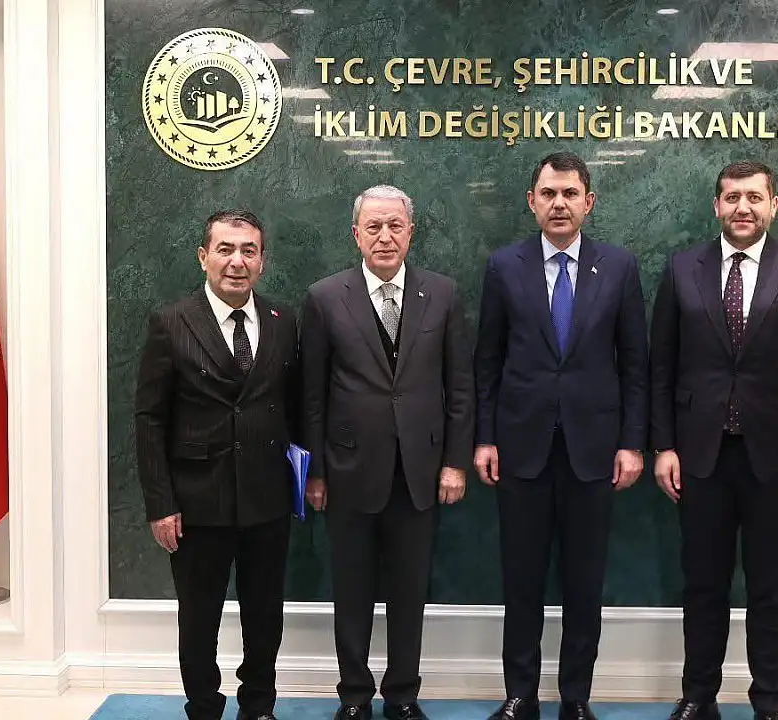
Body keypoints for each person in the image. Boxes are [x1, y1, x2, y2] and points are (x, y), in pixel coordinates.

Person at [649, 160, 778, 720]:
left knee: (770, 589)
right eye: (732, 197)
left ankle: (768, 702)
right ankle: (698, 696)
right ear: (717, 205)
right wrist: (664, 446)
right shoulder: (682, 269)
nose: (742, 207)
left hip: (777, 462)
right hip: (699, 458)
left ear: (773, 206)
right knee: (702, 585)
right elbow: (662, 367)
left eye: (754, 197)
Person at [474, 151, 649, 720]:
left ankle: (575, 698)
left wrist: (632, 443)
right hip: (519, 449)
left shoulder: (618, 267)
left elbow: (635, 366)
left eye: (570, 193)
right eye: (548, 193)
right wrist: (484, 437)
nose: (559, 204)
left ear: (588, 202)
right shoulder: (504, 265)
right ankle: (520, 695)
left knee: (584, 582)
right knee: (521, 581)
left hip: (594, 451)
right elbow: (487, 361)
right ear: (532, 201)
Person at [301, 185, 474, 720]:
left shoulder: (442, 293)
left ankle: (402, 695)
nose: (384, 236)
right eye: (373, 226)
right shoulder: (324, 297)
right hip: (348, 471)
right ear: (356, 234)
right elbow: (312, 395)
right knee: (350, 590)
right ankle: (354, 695)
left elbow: (459, 387)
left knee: (409, 591)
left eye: (394, 225)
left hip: (420, 471)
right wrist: (315, 472)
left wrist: (455, 462)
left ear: (410, 232)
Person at [134, 209, 300, 720]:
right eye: (225, 249)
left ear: (263, 261)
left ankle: (259, 706)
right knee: (199, 618)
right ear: (203, 257)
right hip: (195, 503)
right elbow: (149, 418)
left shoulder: (283, 320)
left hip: (267, 498)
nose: (237, 261)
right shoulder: (171, 322)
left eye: (249, 250)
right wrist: (160, 504)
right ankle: (204, 707)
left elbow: (295, 405)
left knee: (265, 615)